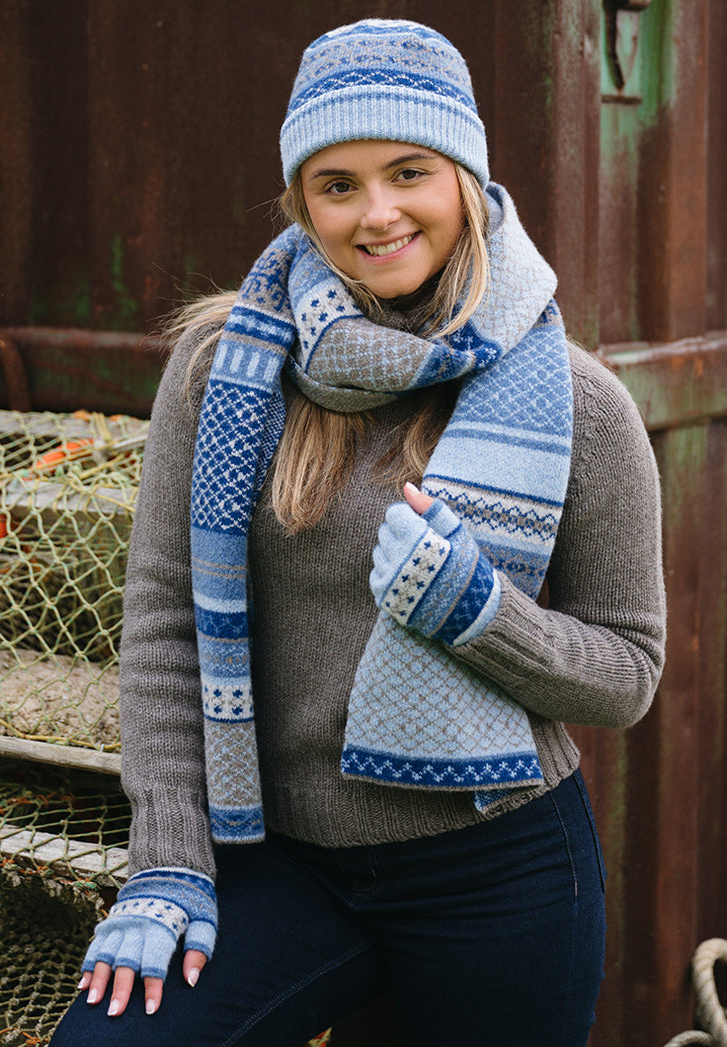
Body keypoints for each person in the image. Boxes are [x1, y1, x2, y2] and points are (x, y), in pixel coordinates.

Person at [50, 18, 665, 1047]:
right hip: (280, 859)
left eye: (408, 172)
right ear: (302, 202)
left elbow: (628, 672)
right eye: (337, 184)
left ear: (465, 179)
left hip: (497, 870)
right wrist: (166, 860)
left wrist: (480, 614)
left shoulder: (579, 403)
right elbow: (162, 622)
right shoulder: (224, 369)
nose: (377, 213)